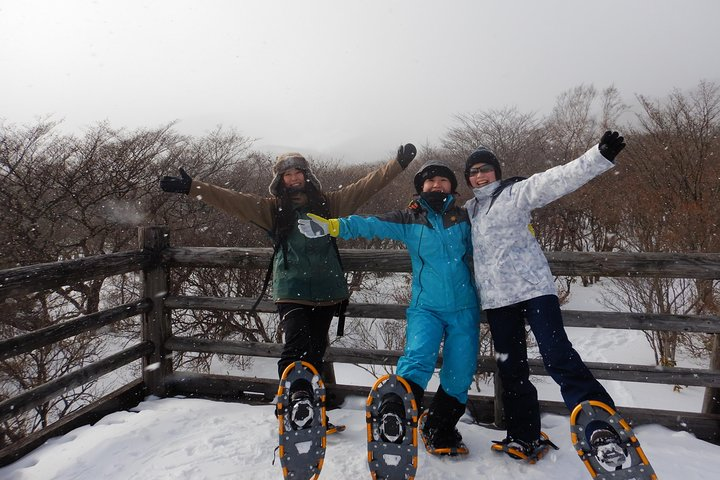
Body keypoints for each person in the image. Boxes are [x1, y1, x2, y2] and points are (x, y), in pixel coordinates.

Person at [159, 144, 417, 432]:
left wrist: (397, 165)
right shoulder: (271, 209)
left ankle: (312, 411)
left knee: (316, 352)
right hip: (290, 288)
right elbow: (231, 200)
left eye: (298, 173)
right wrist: (193, 187)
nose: (294, 178)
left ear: (307, 176)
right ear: (279, 180)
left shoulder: (328, 203)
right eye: (287, 174)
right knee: (296, 346)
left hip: (326, 290)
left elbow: (365, 186)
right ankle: (296, 401)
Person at [463, 131, 629, 465]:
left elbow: (559, 178)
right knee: (510, 369)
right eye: (474, 171)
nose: (480, 175)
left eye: (486, 168)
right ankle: (524, 435)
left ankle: (600, 425)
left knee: (557, 356)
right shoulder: (469, 210)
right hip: (498, 300)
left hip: (535, 290)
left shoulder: (516, 193)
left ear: (496, 171)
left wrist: (598, 156)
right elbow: (438, 220)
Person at [298, 160, 480, 455]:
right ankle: (394, 413)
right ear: (420, 188)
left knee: (460, 373)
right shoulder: (410, 219)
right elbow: (369, 224)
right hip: (427, 307)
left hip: (465, 308)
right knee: (418, 359)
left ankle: (440, 426)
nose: (437, 185)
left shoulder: (466, 218)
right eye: (430, 181)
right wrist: (332, 226)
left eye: (443, 180)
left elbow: (492, 239)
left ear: (452, 187)